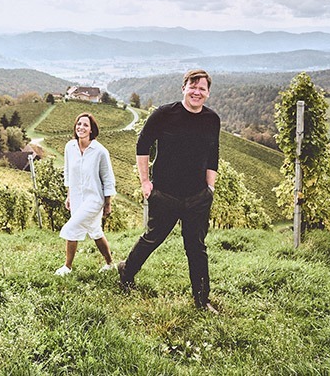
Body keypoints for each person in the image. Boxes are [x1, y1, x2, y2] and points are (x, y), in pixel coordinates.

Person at [117, 69, 220, 312]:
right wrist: (145, 182)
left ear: (208, 93)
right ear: (183, 88)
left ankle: (202, 300)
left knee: (196, 248)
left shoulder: (212, 119)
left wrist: (210, 188)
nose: (197, 92)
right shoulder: (164, 114)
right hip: (165, 194)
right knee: (152, 239)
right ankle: (126, 272)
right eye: (192, 86)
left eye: (202, 88)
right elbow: (142, 145)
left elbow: (213, 154)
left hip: (197, 196)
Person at [55, 112, 116, 276]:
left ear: (91, 130)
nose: (81, 127)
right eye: (79, 124)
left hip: (94, 199)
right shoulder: (70, 147)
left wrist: (108, 203)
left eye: (85, 125)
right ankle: (110, 263)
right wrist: (69, 195)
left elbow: (108, 179)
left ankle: (67, 267)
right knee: (95, 231)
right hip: (76, 198)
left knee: (71, 227)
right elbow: (68, 173)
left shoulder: (100, 151)